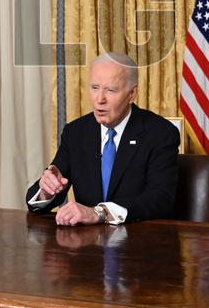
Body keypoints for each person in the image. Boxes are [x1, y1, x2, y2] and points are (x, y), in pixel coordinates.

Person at [26, 52, 180, 225]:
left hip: (138, 242)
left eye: (110, 90)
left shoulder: (160, 133)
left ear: (132, 93)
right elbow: (42, 196)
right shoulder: (76, 132)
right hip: (86, 245)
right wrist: (47, 191)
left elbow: (161, 200)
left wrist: (100, 213)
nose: (100, 99)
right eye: (94, 87)